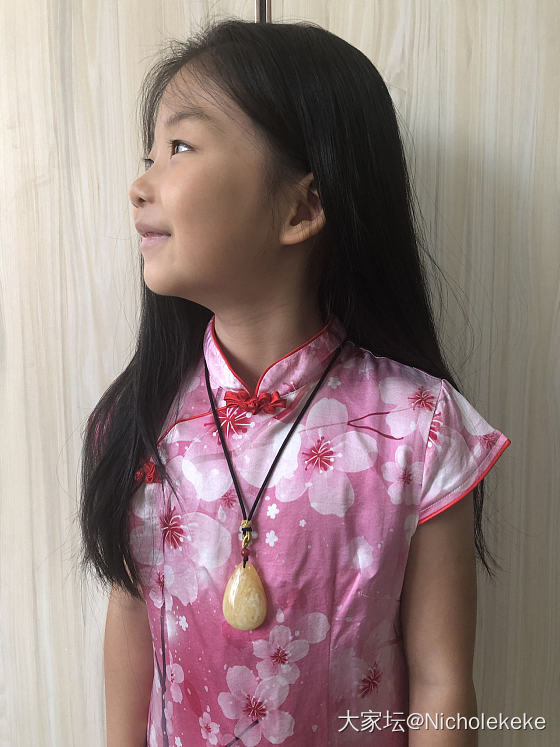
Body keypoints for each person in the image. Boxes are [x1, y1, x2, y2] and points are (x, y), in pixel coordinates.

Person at [79, 18, 511, 747]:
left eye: (179, 147)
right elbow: (131, 620)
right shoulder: (138, 420)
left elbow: (442, 680)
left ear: (302, 207)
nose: (139, 184)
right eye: (148, 154)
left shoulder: (419, 429)